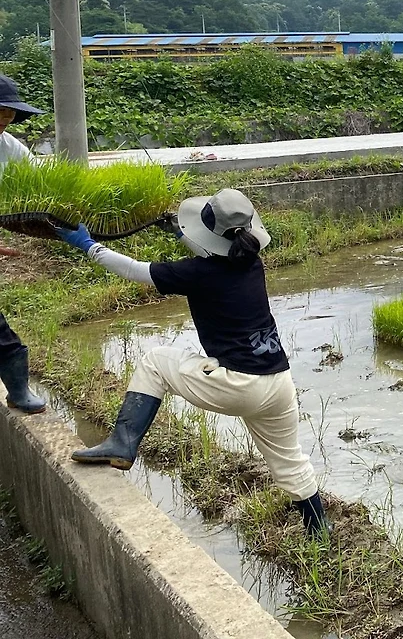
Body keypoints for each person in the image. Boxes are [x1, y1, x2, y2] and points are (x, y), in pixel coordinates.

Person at [55, 189, 329, 537]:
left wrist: (89, 246)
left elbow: (135, 270)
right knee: (289, 460)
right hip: (278, 382)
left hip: (238, 384)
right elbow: (219, 250)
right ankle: (319, 531)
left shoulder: (198, 273)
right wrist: (181, 235)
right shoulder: (251, 261)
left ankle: (122, 443)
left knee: (155, 362)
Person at [0, 75, 47, 415]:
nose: (6, 118)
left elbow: (42, 181)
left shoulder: (9, 146)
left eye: (10, 113)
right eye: (0, 110)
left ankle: (18, 389)